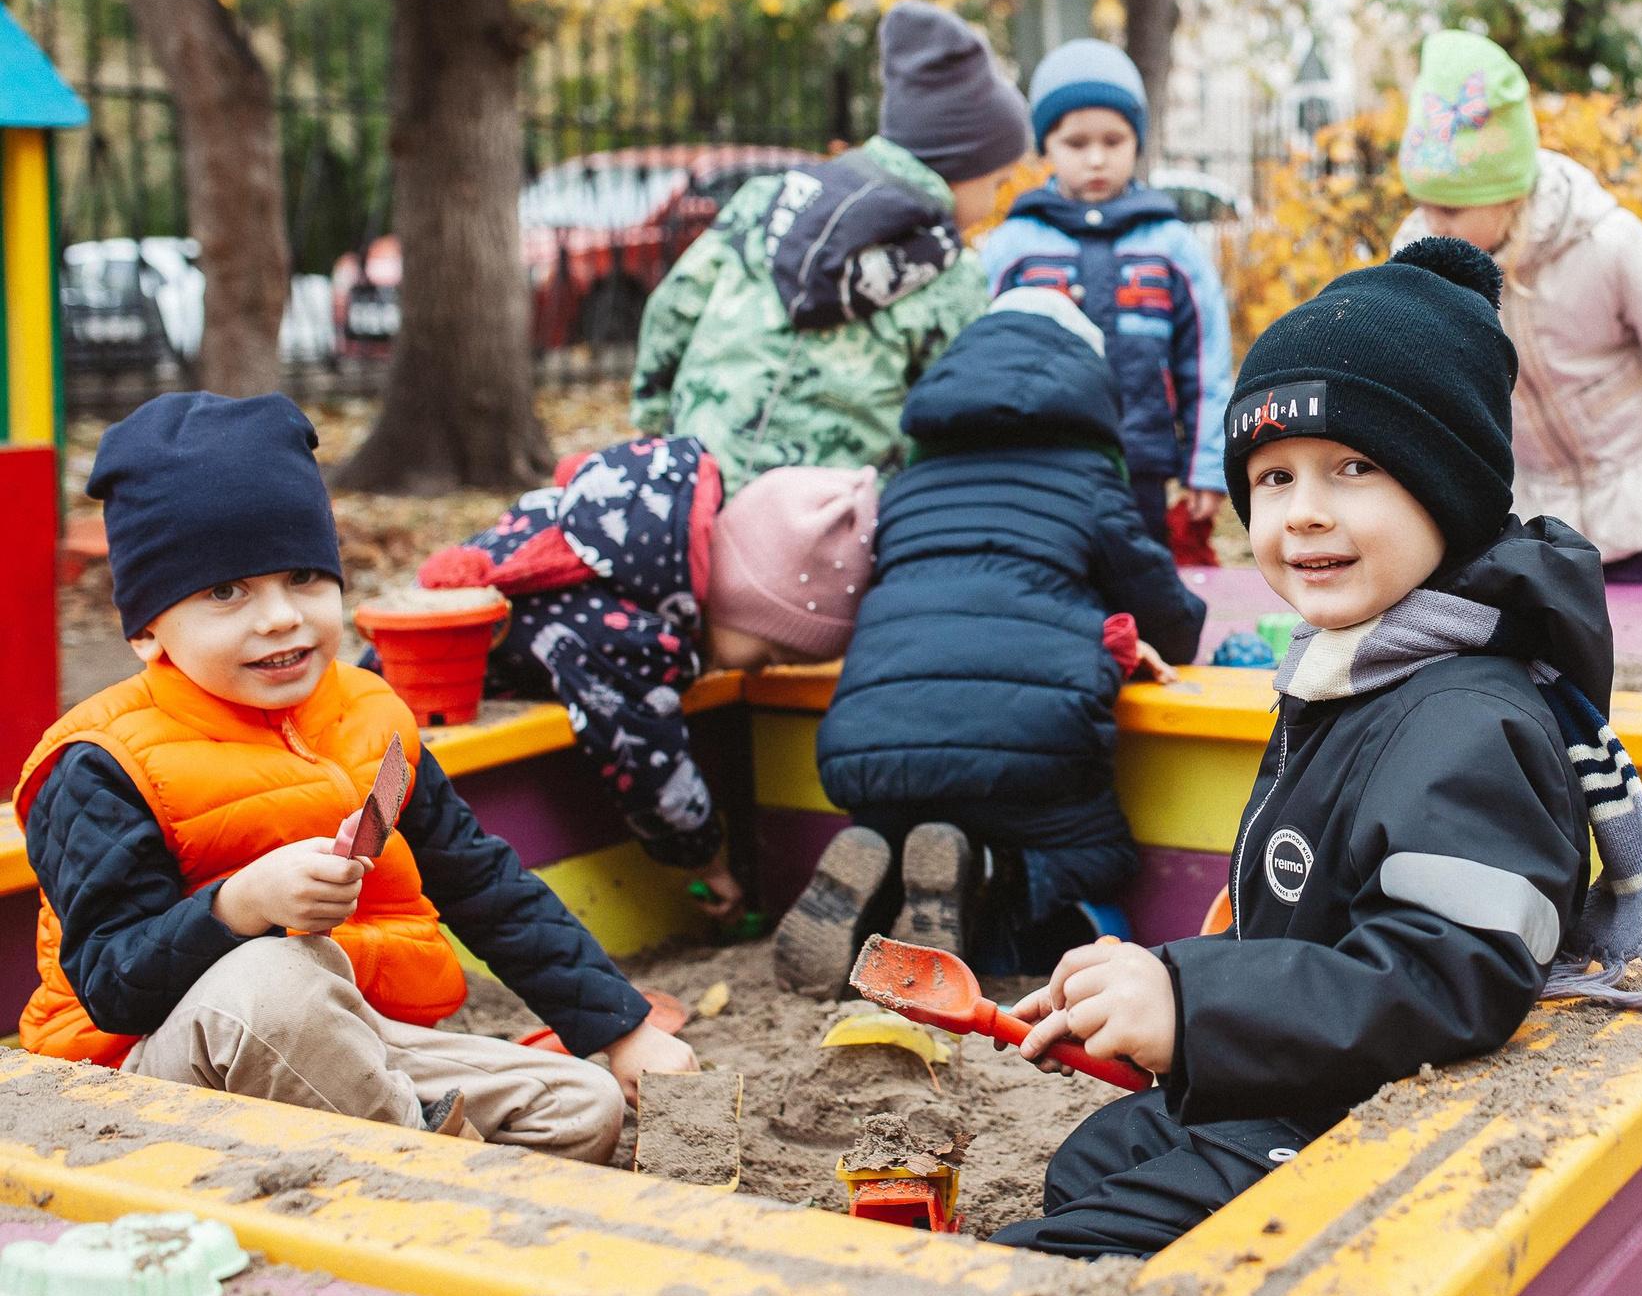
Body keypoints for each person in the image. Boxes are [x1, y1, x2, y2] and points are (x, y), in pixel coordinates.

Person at [987, 238, 1642, 1260]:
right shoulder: (1360, 669)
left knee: (1063, 1251)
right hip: (1318, 1077)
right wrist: (1158, 982)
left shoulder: (1470, 719)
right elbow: (1322, 923)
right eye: (1272, 477)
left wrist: (1191, 1003)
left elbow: (1445, 975)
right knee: (1093, 1160)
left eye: (1354, 467)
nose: (1305, 509)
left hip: (1377, 1134)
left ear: (1449, 491)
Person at [16, 393, 695, 1157]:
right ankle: (430, 1167)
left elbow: (484, 886)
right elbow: (112, 985)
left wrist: (623, 1029)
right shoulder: (102, 760)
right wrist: (238, 906)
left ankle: (408, 1161)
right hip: (146, 1074)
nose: (280, 616)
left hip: (351, 1043)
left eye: (304, 576)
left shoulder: (369, 713)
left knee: (582, 1105)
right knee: (274, 980)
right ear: (147, 631)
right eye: (225, 592)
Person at [777, 288, 1207, 995]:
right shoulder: (1088, 481)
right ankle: (984, 871)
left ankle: (876, 867)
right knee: (1097, 853)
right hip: (1029, 740)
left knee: (911, 825)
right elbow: (1166, 618)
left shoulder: (908, 488)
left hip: (871, 743)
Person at [413, 439, 878, 925]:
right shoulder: (633, 639)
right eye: (773, 654)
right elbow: (647, 763)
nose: (762, 671)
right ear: (741, 597)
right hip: (425, 701)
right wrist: (704, 861)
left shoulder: (625, 538)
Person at [1389, 29, 1642, 584]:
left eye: (1451, 210)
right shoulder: (1424, 267)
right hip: (1536, 515)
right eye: (1424, 205)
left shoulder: (1606, 243)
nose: (1431, 223)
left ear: (1506, 193)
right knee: (1555, 636)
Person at [631, 0, 1031, 488]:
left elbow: (673, 308)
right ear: (962, 164)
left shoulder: (769, 201)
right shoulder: (951, 274)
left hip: (701, 483)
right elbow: (956, 410)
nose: (994, 202)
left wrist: (654, 424)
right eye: (997, 183)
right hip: (833, 514)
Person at [979, 39, 1233, 559]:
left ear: (1136, 141)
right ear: (1046, 147)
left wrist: (1206, 465)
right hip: (1039, 462)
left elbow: (1206, 363)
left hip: (1141, 465)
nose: (1096, 158)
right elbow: (978, 359)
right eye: (1076, 143)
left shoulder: (1171, 247)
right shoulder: (1014, 246)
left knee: (1139, 576)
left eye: (1113, 140)